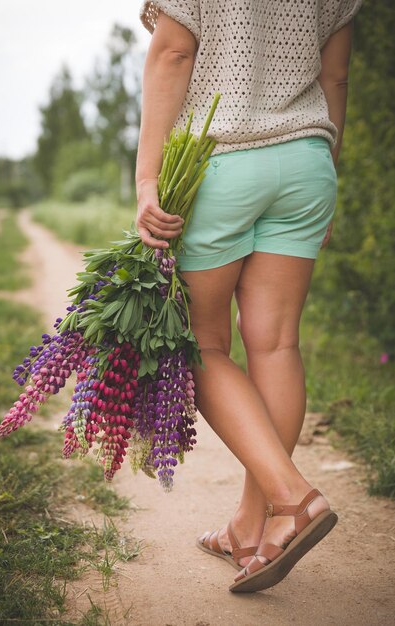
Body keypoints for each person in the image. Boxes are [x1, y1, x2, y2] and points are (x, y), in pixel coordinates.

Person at [135, 0, 362, 593]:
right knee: (277, 346)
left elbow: (174, 52)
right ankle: (251, 525)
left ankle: (295, 499)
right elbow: (334, 74)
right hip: (309, 162)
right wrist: (324, 171)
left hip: (224, 162)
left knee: (203, 345)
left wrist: (145, 179)